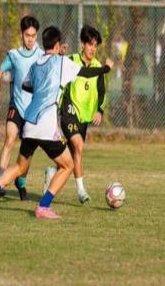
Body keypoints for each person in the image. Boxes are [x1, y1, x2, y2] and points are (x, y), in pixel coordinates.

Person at [0, 26, 112, 219]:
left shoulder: (36, 63)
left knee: (19, 167)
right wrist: (106, 69)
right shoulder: (62, 62)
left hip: (29, 123)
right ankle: (43, 206)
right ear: (57, 45)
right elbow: (86, 73)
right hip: (46, 126)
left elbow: (26, 85)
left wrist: (43, 89)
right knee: (68, 165)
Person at [44, 24, 107, 203]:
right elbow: (55, 67)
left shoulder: (98, 67)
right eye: (90, 44)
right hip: (68, 112)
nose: (93, 49)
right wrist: (59, 55)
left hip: (84, 118)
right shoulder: (71, 60)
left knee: (73, 155)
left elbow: (102, 92)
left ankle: (52, 172)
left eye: (95, 45)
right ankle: (81, 191)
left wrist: (99, 110)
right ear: (83, 44)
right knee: (78, 146)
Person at [0, 16, 43, 200]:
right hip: (16, 106)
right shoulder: (14, 55)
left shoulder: (41, 55)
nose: (30, 39)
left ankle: (21, 183)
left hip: (32, 110)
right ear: (21, 34)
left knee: (27, 152)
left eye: (33, 36)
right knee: (9, 140)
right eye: (27, 35)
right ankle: (0, 181)